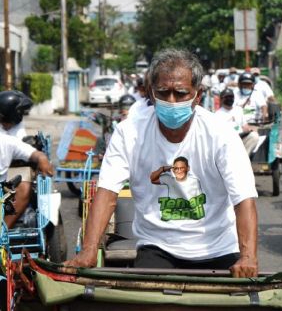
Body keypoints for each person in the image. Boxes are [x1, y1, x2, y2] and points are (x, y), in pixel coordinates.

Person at [65, 49, 258, 277]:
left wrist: (248, 257)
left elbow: (243, 199)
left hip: (218, 248)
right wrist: (88, 250)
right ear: (151, 93)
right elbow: (107, 192)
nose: (171, 101)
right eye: (163, 93)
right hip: (157, 248)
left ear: (198, 96)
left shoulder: (221, 134)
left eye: (181, 93)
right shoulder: (129, 132)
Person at [1, 134, 53, 229]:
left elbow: (34, 153)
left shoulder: (7, 141)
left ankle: (2, 229)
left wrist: (42, 158)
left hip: (3, 189)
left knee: (24, 186)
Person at [215, 88, 260, 156]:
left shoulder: (238, 110)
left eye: (231, 97)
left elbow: (245, 126)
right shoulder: (217, 114)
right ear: (221, 99)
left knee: (254, 136)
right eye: (227, 97)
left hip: (241, 137)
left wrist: (248, 130)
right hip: (228, 141)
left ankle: (244, 158)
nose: (230, 98)